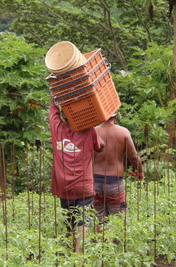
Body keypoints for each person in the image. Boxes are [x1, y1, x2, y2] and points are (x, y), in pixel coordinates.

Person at [49, 98, 105, 252]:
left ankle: (68, 254)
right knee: (83, 222)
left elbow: (53, 111)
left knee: (69, 222)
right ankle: (79, 256)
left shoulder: (57, 128)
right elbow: (100, 147)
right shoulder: (89, 131)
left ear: (64, 115)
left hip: (63, 187)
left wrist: (54, 97)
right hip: (83, 187)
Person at [92, 113, 144, 224]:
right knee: (118, 219)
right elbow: (133, 157)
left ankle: (100, 240)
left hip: (95, 181)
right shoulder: (123, 132)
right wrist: (139, 170)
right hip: (114, 182)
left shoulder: (94, 131)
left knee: (99, 219)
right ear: (115, 117)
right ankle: (114, 240)